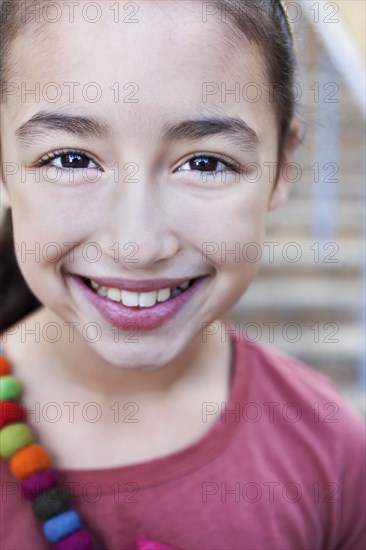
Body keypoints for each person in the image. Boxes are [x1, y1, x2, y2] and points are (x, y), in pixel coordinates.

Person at [0, 0, 365, 549]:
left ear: (282, 168)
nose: (139, 245)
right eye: (72, 159)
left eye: (206, 162)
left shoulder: (331, 455)